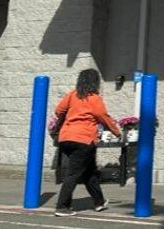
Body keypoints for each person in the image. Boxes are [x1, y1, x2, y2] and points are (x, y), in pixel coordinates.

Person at [52, 69, 121, 217]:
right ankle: (62, 206)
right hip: (83, 140)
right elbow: (103, 116)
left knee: (89, 172)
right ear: (94, 82)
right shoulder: (95, 98)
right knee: (73, 174)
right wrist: (117, 132)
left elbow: (58, 111)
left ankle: (99, 202)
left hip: (66, 138)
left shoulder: (72, 95)